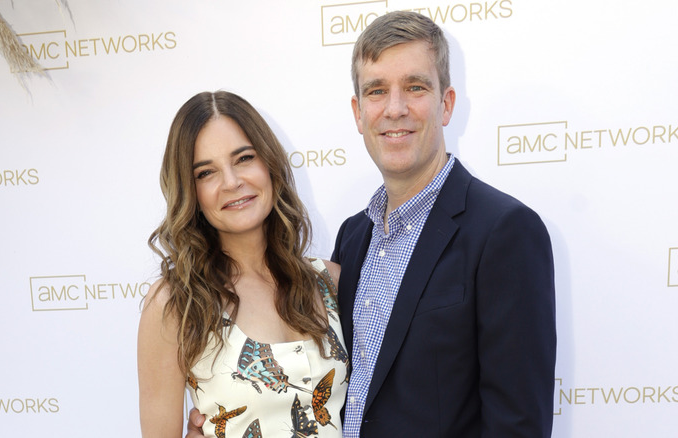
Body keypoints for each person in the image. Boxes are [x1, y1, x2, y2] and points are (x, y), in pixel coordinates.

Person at [187, 10, 556, 437]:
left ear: (447, 104)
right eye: (377, 91)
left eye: (415, 87)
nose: (395, 109)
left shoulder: (504, 232)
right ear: (358, 113)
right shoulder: (354, 237)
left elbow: (518, 426)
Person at [138, 91, 348, 438]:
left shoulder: (330, 282)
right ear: (191, 192)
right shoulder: (175, 303)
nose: (232, 182)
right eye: (206, 172)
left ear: (270, 163)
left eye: (244, 158)